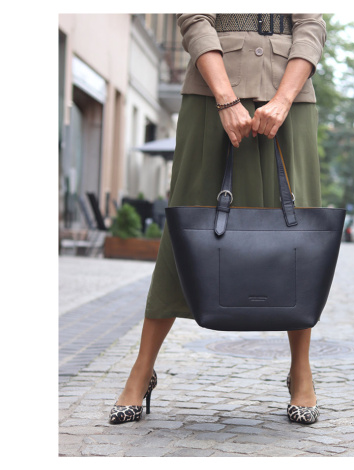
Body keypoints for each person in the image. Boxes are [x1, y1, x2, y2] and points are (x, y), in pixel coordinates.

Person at [109, 13, 327, 425]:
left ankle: (301, 372)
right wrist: (226, 99)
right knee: (186, 227)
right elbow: (194, 18)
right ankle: (141, 371)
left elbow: (311, 26)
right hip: (211, 96)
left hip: (291, 101)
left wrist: (283, 100)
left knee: (295, 234)